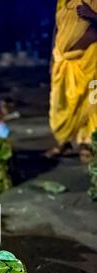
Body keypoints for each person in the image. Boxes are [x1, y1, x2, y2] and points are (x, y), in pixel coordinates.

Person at [48, 0, 97, 158]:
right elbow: (57, 27)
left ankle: (87, 143)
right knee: (59, 103)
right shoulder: (62, 2)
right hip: (62, 60)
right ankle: (63, 141)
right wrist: (52, 58)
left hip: (89, 60)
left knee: (89, 104)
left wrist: (93, 15)